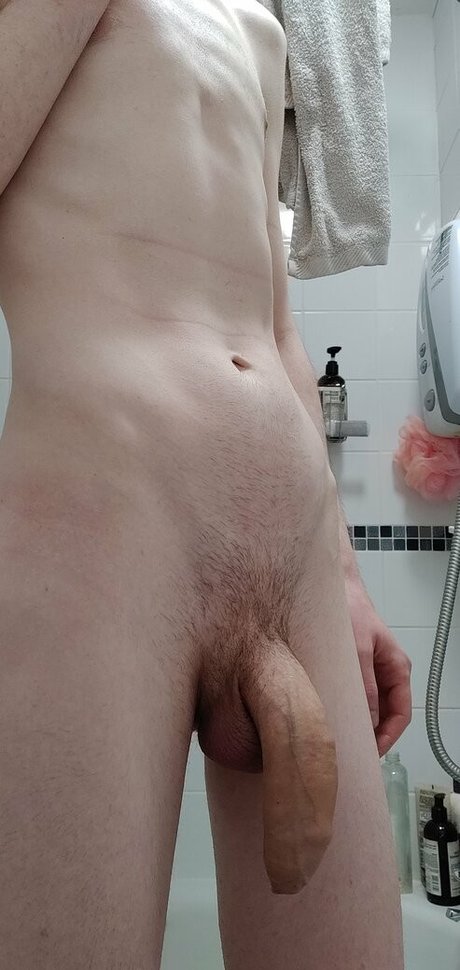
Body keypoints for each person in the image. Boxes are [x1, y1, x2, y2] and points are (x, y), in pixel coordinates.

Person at [0, 0, 410, 967]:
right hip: (103, 523)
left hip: (292, 553)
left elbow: (276, 327)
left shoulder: (261, 31)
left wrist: (345, 575)